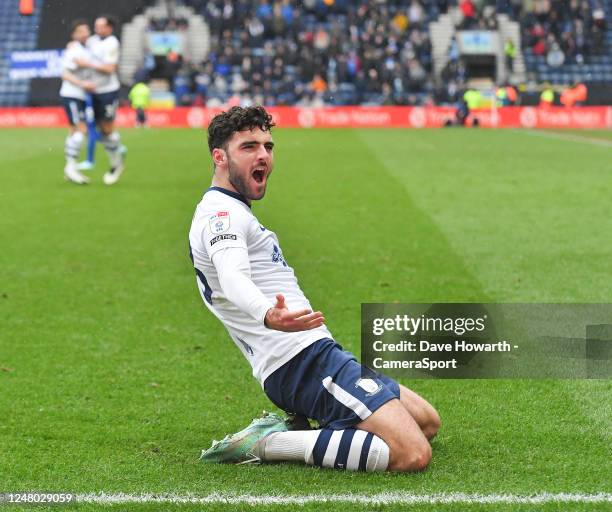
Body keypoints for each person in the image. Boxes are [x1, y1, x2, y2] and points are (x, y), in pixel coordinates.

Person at [189, 106, 440, 473]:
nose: (263, 155)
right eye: (249, 147)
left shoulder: (232, 210)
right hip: (299, 362)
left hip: (315, 352)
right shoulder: (220, 215)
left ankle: (323, 422)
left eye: (268, 146)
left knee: (427, 422)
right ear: (219, 157)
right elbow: (232, 275)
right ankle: (268, 442)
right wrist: (267, 313)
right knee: (412, 453)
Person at [76, 15, 126, 186]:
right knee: (99, 129)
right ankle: (116, 157)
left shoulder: (112, 43)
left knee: (106, 128)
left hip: (107, 91)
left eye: (100, 26)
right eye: (95, 26)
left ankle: (116, 162)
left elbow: (109, 68)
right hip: (93, 91)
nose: (96, 29)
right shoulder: (91, 41)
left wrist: (87, 64)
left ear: (109, 28)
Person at [59, 19, 96, 185]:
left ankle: (71, 168)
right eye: (81, 31)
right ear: (74, 35)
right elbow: (64, 74)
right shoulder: (73, 50)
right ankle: (70, 168)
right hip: (71, 94)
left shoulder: (84, 48)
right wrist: (83, 84)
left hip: (78, 95)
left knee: (75, 131)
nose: (85, 33)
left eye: (86, 29)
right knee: (82, 130)